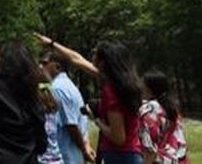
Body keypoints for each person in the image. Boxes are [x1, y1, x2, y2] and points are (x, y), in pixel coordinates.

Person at [36, 35, 143, 164]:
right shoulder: (118, 83)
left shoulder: (112, 91)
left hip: (120, 156)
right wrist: (52, 44)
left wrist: (96, 119)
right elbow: (76, 58)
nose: (91, 56)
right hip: (128, 154)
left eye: (95, 54)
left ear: (103, 62)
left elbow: (118, 138)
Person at [39, 51, 94, 163]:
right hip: (73, 155)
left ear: (57, 66)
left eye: (44, 63)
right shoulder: (69, 86)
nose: (40, 66)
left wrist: (84, 150)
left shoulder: (58, 88)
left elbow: (71, 124)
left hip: (66, 156)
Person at [137, 72, 188, 164]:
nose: (139, 88)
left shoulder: (147, 110)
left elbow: (150, 149)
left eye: (142, 85)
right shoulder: (171, 109)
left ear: (149, 88)